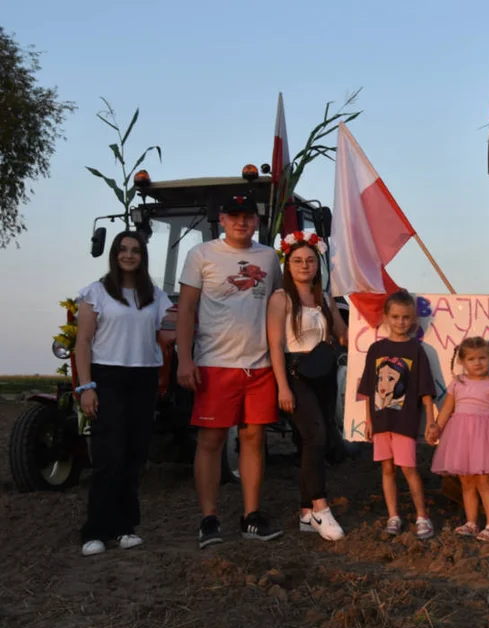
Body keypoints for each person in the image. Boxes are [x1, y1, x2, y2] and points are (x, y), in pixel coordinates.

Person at [176, 194, 284, 548]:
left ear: (257, 220)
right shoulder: (201, 255)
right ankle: (209, 519)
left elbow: (279, 305)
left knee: (253, 439)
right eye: (234, 216)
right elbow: (187, 309)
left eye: (248, 216)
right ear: (221, 219)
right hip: (215, 364)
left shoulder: (269, 257)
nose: (242, 222)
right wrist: (185, 359)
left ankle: (251, 516)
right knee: (211, 441)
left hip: (259, 365)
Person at [73, 231, 174, 556]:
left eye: (135, 250)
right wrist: (86, 387)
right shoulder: (97, 293)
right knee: (108, 456)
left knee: (133, 456)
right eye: (123, 250)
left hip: (143, 378)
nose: (129, 255)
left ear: (143, 255)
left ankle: (125, 527)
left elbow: (170, 332)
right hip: (108, 377)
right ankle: (95, 531)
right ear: (115, 254)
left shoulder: (155, 297)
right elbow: (83, 342)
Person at [267, 231, 349, 541]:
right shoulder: (281, 298)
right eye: (298, 260)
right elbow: (275, 345)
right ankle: (320, 507)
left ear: (318, 265)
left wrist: (339, 299)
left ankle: (304, 513)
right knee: (316, 436)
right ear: (288, 264)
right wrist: (282, 387)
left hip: (324, 373)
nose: (304, 266)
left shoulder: (324, 296)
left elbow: (340, 335)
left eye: (310, 261)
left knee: (311, 441)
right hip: (296, 373)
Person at [357, 290, 438, 539]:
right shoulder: (376, 349)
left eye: (405, 317)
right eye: (395, 317)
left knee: (409, 468)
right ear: (386, 317)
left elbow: (425, 389)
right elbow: (369, 388)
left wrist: (431, 420)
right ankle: (394, 516)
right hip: (381, 421)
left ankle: (422, 517)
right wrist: (368, 421)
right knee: (387, 469)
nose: (400, 322)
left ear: (413, 319)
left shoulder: (417, 350)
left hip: (405, 421)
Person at [426, 337, 489, 543]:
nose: (478, 363)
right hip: (461, 438)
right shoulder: (458, 383)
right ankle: (471, 522)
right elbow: (447, 409)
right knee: (466, 482)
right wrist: (437, 427)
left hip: (484, 439)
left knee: (484, 481)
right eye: (472, 359)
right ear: (462, 362)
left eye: (482, 358)